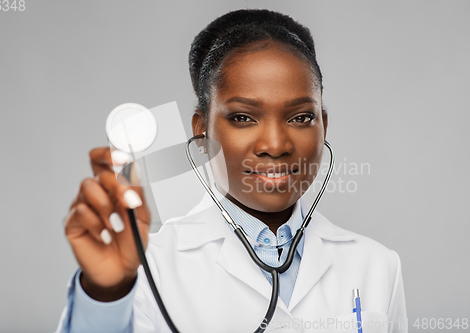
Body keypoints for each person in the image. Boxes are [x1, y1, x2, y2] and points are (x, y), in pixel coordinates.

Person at [56, 9, 407, 333]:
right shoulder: (147, 267)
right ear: (202, 132)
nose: (275, 144)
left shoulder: (377, 266)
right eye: (243, 117)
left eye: (300, 117)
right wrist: (105, 295)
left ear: (324, 127)